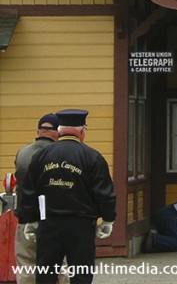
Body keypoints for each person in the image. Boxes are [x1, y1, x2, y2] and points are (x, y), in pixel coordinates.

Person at [17, 109, 116, 284]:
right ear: (82, 131)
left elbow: (30, 190)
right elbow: (104, 192)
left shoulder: (41, 156)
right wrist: (108, 219)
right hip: (81, 225)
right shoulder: (92, 157)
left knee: (46, 273)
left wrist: (29, 219)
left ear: (60, 130)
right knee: (81, 273)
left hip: (49, 224)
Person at [12, 113, 61, 284]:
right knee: (62, 266)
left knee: (27, 265)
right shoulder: (60, 154)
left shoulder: (22, 152)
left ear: (38, 131)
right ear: (58, 132)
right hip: (54, 219)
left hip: (25, 219)